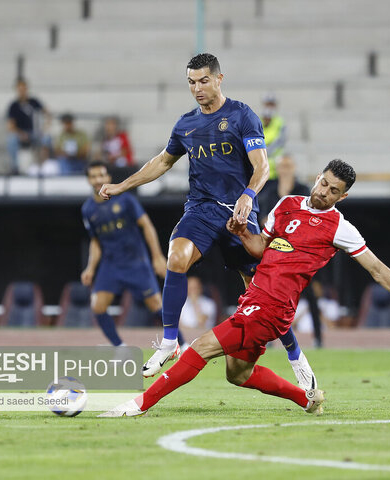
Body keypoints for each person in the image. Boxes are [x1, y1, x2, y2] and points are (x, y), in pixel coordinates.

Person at [99, 159, 390, 417]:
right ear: (318, 178)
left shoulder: (340, 228)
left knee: (202, 347)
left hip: (272, 306)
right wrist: (240, 234)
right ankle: (307, 399)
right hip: (257, 299)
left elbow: (377, 269)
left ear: (344, 197)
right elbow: (261, 249)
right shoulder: (287, 205)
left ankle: (138, 404)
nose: (324, 192)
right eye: (324, 183)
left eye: (334, 191)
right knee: (238, 374)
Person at [98, 53, 315, 389]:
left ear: (218, 79)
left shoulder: (243, 116)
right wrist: (123, 185)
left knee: (261, 291)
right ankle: (170, 340)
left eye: (202, 81)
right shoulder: (186, 124)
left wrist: (248, 196)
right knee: (177, 257)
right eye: (190, 82)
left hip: (239, 213)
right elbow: (161, 162)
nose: (196, 88)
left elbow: (262, 168)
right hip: (200, 209)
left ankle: (295, 355)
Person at [81, 161, 186, 348]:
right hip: (110, 264)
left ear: (108, 178)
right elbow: (95, 241)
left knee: (156, 306)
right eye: (93, 176)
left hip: (136, 261)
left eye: (101, 175)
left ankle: (183, 345)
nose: (98, 180)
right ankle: (119, 348)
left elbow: (147, 226)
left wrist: (157, 256)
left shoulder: (125, 200)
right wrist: (90, 267)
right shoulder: (88, 209)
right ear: (89, 180)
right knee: (98, 306)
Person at [258, 154, 324, 346]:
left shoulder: (303, 190)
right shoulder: (269, 190)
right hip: (275, 252)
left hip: (300, 253)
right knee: (270, 296)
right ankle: (267, 337)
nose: (285, 169)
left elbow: (309, 220)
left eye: (288, 166)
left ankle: (318, 338)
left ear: (294, 167)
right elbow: (264, 219)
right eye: (282, 166)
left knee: (310, 295)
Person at [6, 78, 49, 174]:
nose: (22, 91)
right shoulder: (14, 106)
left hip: (35, 132)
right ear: (17, 90)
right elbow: (10, 125)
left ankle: (45, 166)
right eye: (20, 89)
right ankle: (15, 167)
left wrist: (45, 127)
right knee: (11, 140)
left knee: (47, 139)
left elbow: (47, 114)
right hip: (21, 133)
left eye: (24, 88)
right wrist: (21, 133)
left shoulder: (34, 102)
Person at [261, 93, 287, 180]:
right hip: (260, 167)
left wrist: (264, 153)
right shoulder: (257, 121)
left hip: (275, 168)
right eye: (267, 104)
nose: (269, 107)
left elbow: (280, 142)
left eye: (271, 104)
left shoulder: (280, 122)